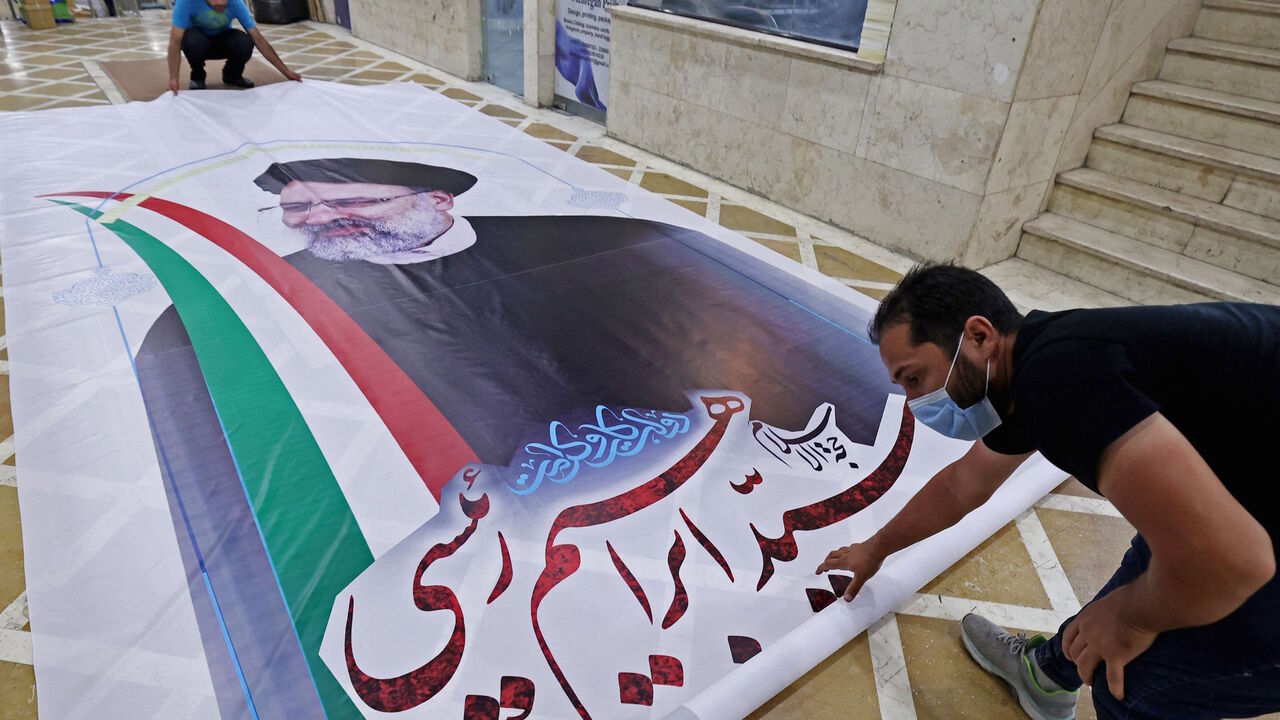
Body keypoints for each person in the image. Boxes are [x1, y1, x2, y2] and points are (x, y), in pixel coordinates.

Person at [133, 156, 900, 715]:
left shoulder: (605, 237)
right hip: (501, 552)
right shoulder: (238, 321)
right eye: (301, 215)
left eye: (352, 203)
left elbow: (827, 381)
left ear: (438, 199)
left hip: (713, 498)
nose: (325, 226)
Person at [817, 263, 1280, 720]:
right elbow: (962, 486)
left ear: (978, 336)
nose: (917, 403)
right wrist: (874, 549)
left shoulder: (1062, 378)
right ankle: (1048, 675)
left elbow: (1234, 561)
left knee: (1132, 680)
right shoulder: (1031, 368)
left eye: (915, 378)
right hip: (1255, 482)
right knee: (1162, 554)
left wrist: (1129, 621)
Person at [166, 0, 301, 94]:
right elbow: (174, 42)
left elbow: (259, 39)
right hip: (197, 42)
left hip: (221, 40)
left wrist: (286, 72)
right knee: (193, 41)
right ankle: (197, 76)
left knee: (245, 42)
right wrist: (173, 78)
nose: (220, 3)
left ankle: (232, 75)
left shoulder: (235, 2)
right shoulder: (186, 2)